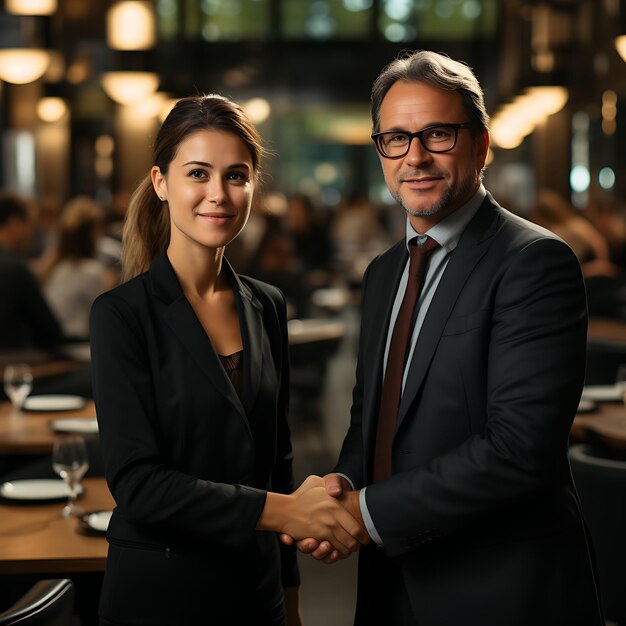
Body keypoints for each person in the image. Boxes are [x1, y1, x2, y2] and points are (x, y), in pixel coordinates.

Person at [284, 50, 603, 625]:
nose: (416, 156)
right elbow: (372, 423)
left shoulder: (535, 261)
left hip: (498, 591)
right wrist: (342, 485)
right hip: (391, 583)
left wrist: (364, 513)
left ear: (481, 145)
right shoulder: (384, 273)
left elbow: (518, 450)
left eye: (437, 133)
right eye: (396, 139)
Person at [89, 94, 368, 626]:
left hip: (255, 592)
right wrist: (285, 511)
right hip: (161, 596)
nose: (218, 194)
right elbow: (138, 484)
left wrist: (290, 592)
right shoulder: (120, 315)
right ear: (160, 182)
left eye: (236, 176)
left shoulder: (266, 304)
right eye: (198, 173)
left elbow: (277, 459)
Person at [41, 195, 118, 339]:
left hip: (55, 340)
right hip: (78, 343)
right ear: (91, 231)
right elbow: (105, 317)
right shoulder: (91, 271)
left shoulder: (54, 267)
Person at [0, 192, 63, 349]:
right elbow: (50, 332)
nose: (31, 232)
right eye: (30, 224)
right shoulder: (15, 271)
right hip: (14, 364)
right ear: (14, 223)